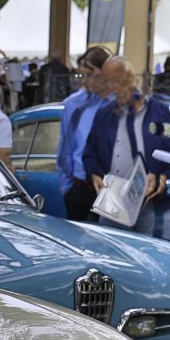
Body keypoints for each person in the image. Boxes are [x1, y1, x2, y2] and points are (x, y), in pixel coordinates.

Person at [82, 56, 170, 238]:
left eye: (116, 80)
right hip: (112, 206)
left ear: (130, 77)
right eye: (107, 82)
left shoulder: (162, 113)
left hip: (154, 206)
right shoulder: (103, 115)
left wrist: (164, 176)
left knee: (155, 255)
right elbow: (89, 154)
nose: (112, 88)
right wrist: (94, 174)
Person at [57, 46, 112, 222]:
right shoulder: (73, 104)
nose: (85, 81)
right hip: (79, 187)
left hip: (110, 188)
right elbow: (66, 147)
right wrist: (67, 187)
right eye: (81, 75)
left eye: (90, 75)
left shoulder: (118, 103)